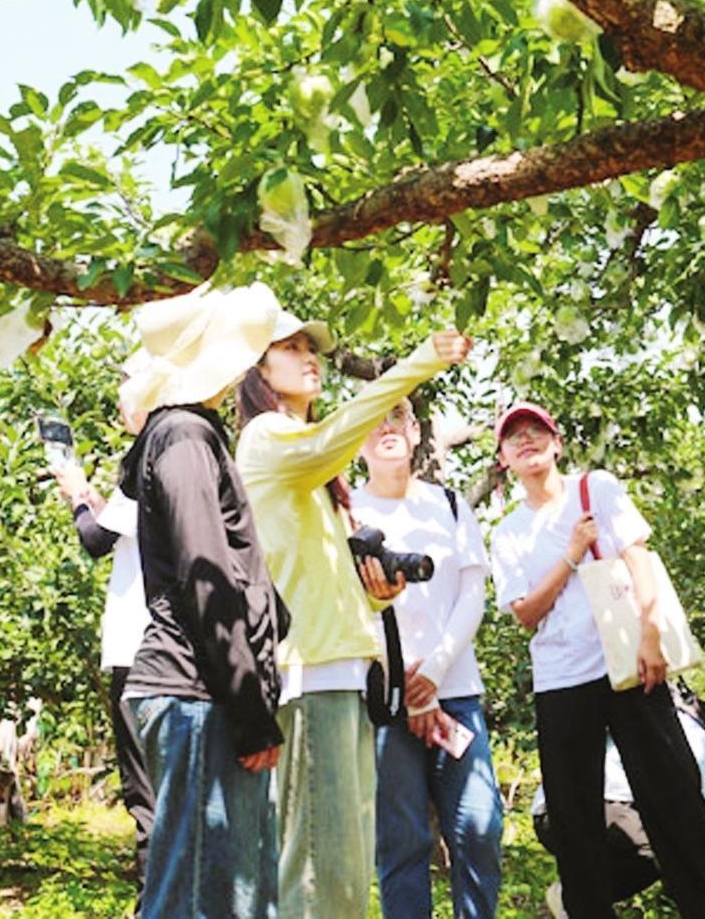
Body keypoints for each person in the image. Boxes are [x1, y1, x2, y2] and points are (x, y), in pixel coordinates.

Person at [235, 318, 472, 919]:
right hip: (309, 675)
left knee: (341, 869)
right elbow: (330, 440)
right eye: (290, 348)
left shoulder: (311, 467)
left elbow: (328, 580)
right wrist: (417, 365)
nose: (308, 357)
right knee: (322, 873)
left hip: (340, 675)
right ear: (258, 370)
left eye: (311, 347)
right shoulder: (269, 436)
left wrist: (381, 593)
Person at [488, 401, 705, 919]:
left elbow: (638, 557)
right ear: (503, 460)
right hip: (561, 680)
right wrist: (570, 552)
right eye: (513, 438)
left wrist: (651, 633)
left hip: (630, 667)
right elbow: (525, 614)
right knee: (575, 818)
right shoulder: (508, 533)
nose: (526, 441)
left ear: (556, 443)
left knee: (675, 800)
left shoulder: (597, 489)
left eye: (536, 431)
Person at [117, 282, 287, 919]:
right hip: (198, 691)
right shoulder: (186, 436)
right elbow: (205, 575)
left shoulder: (192, 434)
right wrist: (249, 708)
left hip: (208, 689)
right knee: (196, 892)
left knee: (236, 890)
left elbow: (232, 573)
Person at [351, 401, 503, 919]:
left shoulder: (453, 504)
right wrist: (405, 684)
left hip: (455, 692)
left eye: (397, 420)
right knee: (402, 842)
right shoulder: (344, 512)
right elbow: (348, 609)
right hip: (384, 701)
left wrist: (432, 676)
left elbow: (472, 597)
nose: (386, 431)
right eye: (373, 422)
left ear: (416, 432)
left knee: (480, 829)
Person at [532, 674, 705, 916]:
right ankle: (572, 897)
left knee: (667, 839)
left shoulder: (682, 722)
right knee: (667, 843)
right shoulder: (693, 742)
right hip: (571, 811)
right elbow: (702, 833)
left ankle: (577, 896)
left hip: (567, 809)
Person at [49, 350, 155, 909]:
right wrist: (90, 497)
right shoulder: (184, 452)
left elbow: (95, 540)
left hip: (141, 650)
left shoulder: (148, 458)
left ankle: (154, 904)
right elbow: (116, 528)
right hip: (170, 652)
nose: (120, 394)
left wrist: (74, 496)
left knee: (148, 796)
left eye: (128, 381)